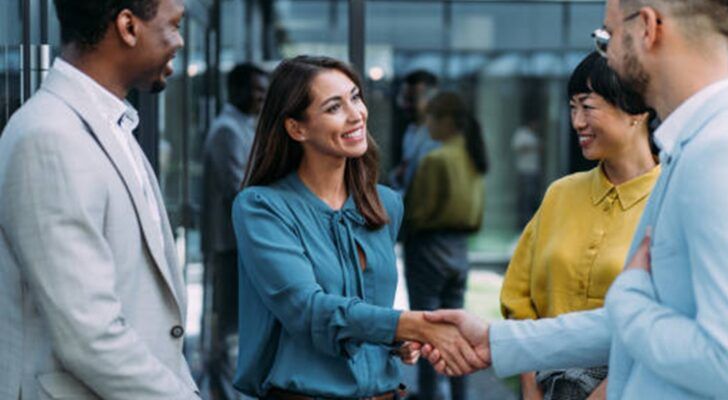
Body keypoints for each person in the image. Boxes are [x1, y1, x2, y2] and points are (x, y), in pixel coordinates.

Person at [422, 0, 728, 399]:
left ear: (646, 28)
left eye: (606, 36)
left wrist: (629, 298)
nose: (606, 53)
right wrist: (496, 341)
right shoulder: (702, 148)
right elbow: (653, 325)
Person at [230, 56, 486, 400]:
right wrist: (408, 325)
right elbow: (308, 310)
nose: (356, 114)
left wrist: (396, 341)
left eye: (355, 97)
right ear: (297, 128)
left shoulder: (384, 204)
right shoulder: (261, 208)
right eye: (334, 107)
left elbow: (367, 310)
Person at [0, 0, 200, 399]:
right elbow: (89, 336)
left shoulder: (110, 124)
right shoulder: (50, 137)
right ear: (128, 26)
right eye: (174, 25)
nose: (179, 42)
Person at [500, 52, 659, 400]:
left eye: (587, 107)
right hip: (546, 385)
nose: (576, 122)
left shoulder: (669, 200)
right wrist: (530, 387)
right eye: (572, 108)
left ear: (637, 111)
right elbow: (519, 300)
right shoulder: (561, 194)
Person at [403, 91, 488, 400]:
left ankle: (428, 395)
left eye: (432, 118)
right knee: (459, 330)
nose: (428, 125)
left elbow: (417, 212)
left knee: (426, 329)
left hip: (429, 248)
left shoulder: (436, 159)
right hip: (459, 250)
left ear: (446, 121)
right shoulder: (472, 155)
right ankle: (459, 393)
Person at [201, 62, 269, 400]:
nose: (261, 97)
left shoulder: (242, 125)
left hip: (237, 243)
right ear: (236, 90)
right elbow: (240, 188)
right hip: (229, 244)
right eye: (256, 90)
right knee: (229, 328)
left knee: (234, 326)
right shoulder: (227, 129)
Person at [389, 70, 440, 195]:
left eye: (412, 100)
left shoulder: (439, 136)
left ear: (431, 100)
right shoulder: (411, 131)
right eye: (404, 99)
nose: (406, 105)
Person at [510, 116, 543, 228]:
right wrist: (532, 147)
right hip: (524, 170)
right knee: (524, 197)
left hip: (534, 170)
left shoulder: (534, 135)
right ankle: (522, 223)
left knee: (532, 196)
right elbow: (518, 148)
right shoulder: (522, 134)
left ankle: (531, 221)